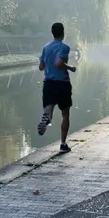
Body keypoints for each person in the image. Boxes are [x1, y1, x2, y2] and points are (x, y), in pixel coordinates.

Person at [37, 22, 76, 153]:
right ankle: (63, 144)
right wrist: (70, 67)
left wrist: (49, 66)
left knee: (48, 111)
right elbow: (59, 63)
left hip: (48, 83)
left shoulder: (46, 47)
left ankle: (46, 118)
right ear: (63, 33)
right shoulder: (64, 47)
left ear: (52, 32)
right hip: (62, 83)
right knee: (65, 114)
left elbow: (41, 67)